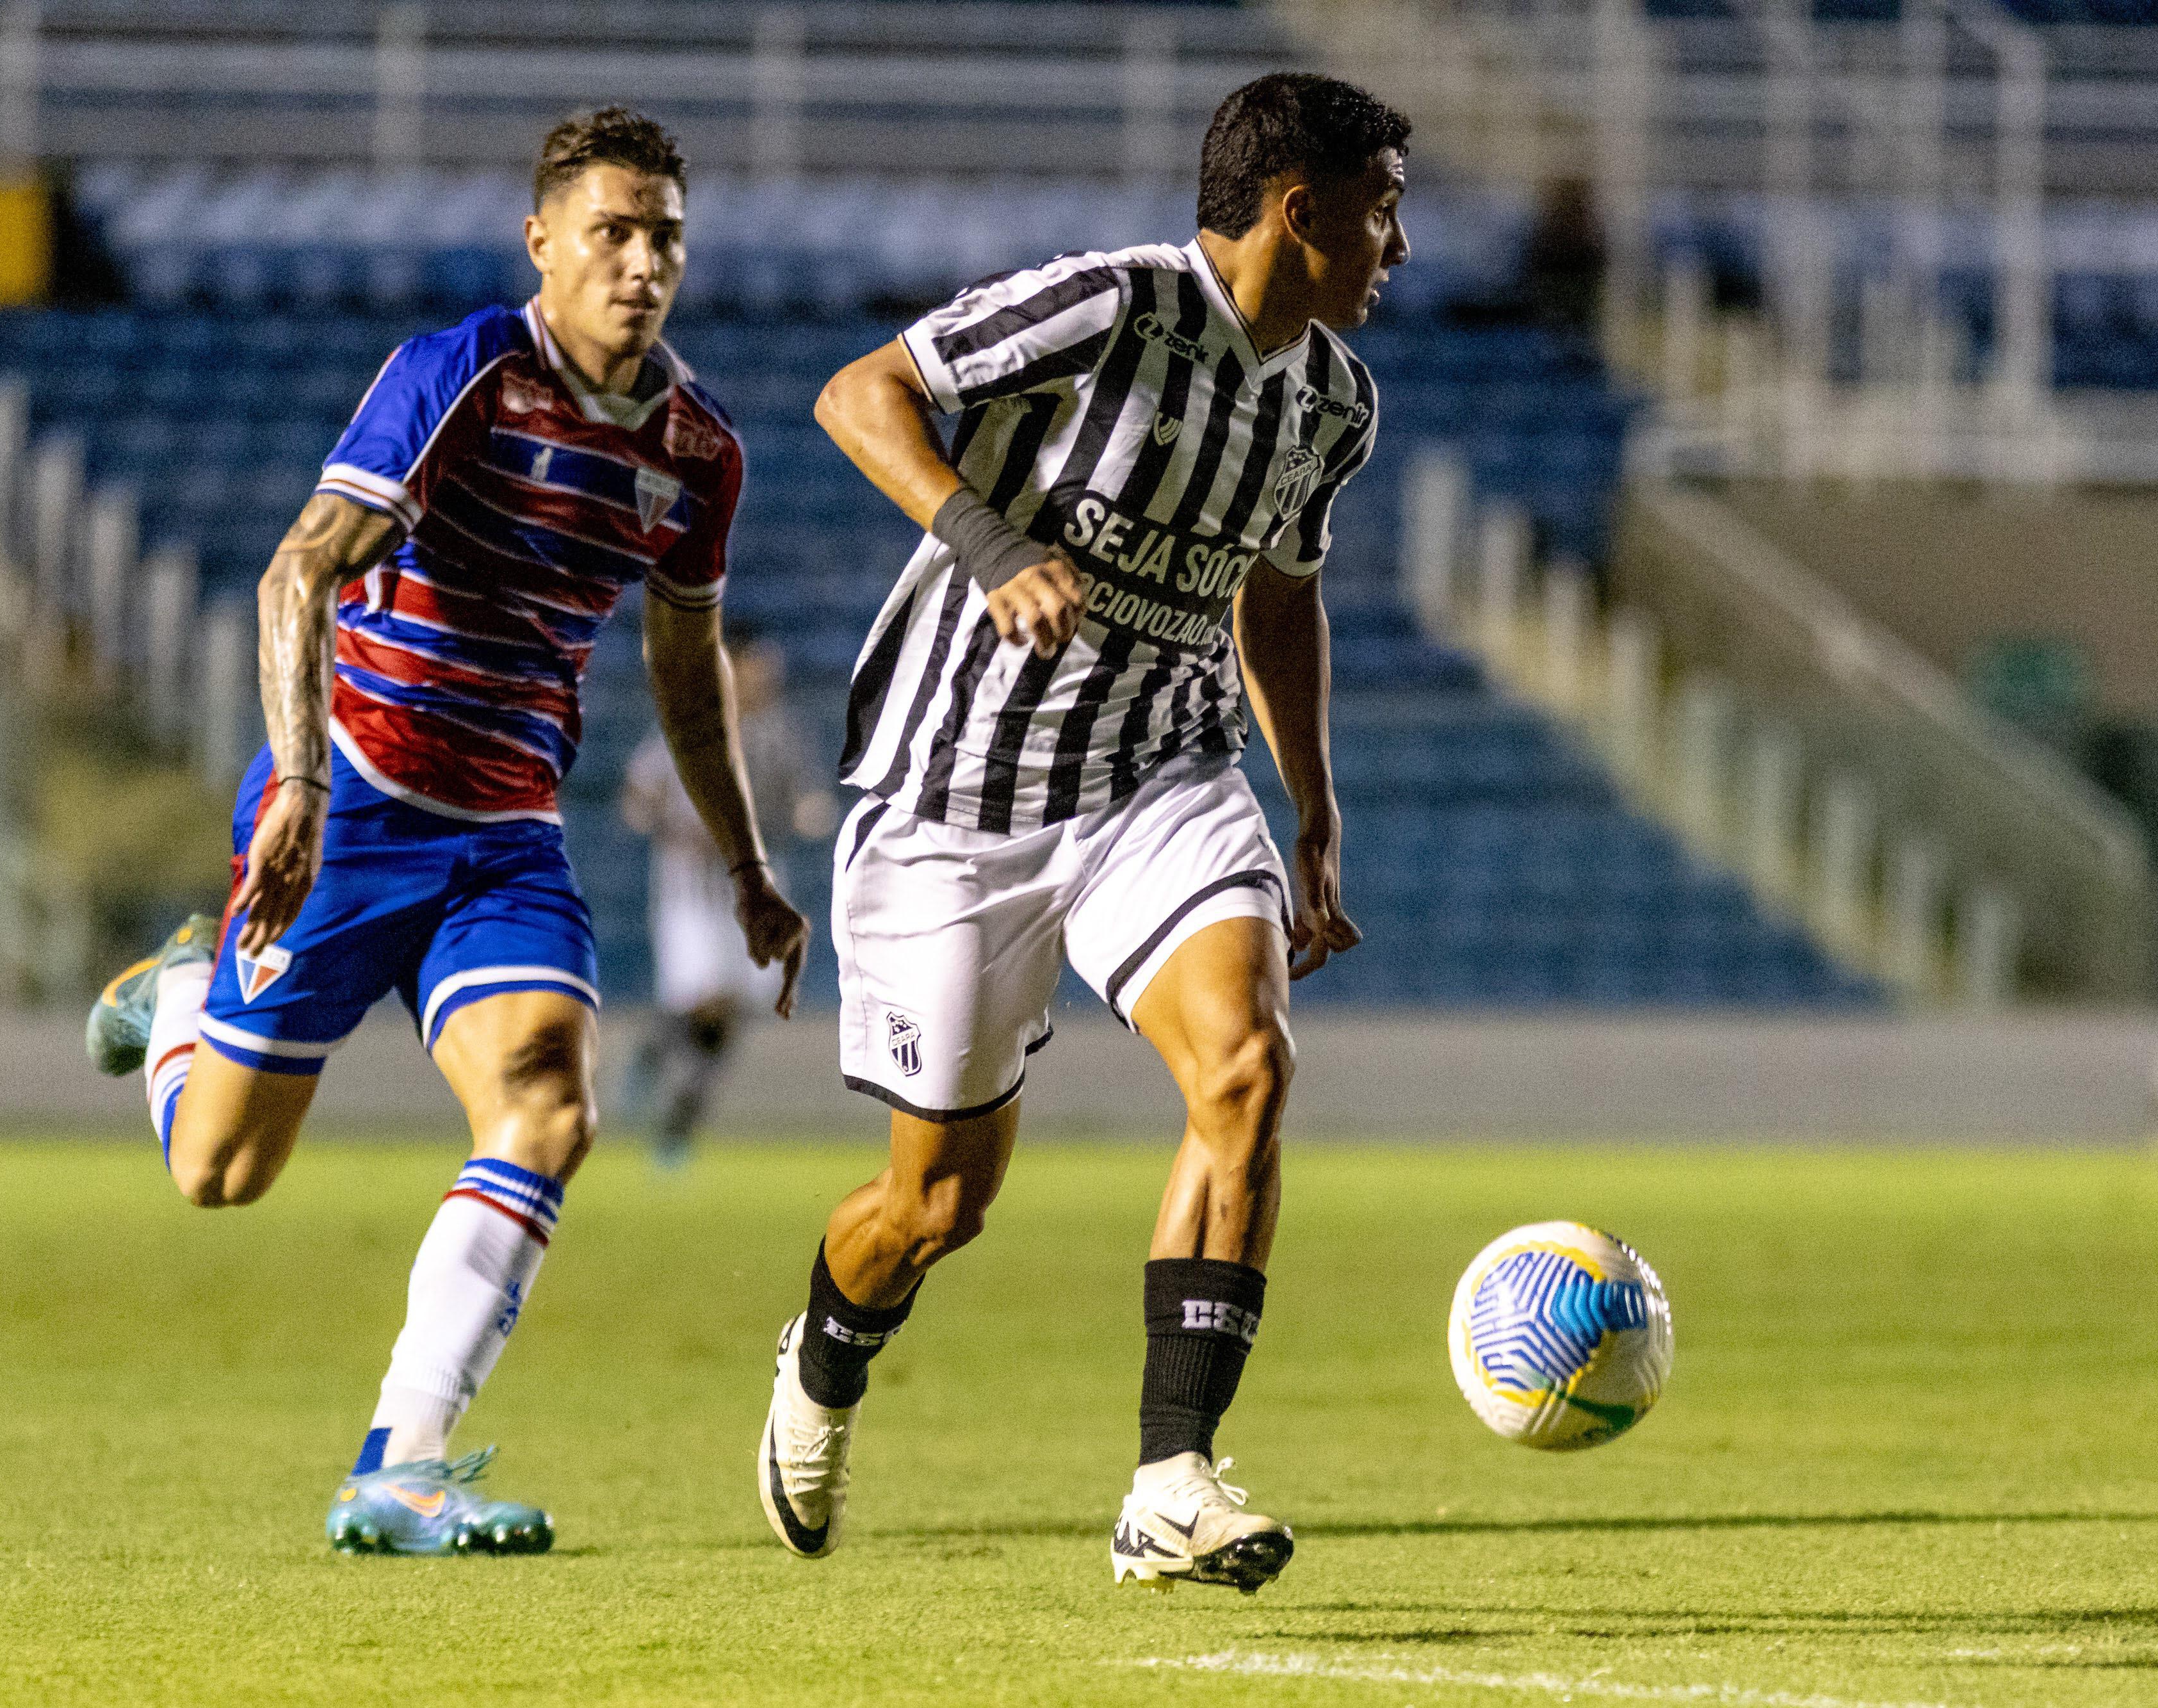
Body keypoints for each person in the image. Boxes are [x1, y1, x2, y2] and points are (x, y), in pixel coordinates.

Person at [81, 106, 809, 1556]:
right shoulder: (463, 373)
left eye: (663, 233)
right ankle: (175, 1002)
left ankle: (398, 1463)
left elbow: (683, 671)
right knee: (221, 1173)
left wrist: (746, 864)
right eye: (610, 231)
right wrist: (294, 784)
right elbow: (298, 575)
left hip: (506, 832)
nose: (640, 261)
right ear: (543, 242)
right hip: (351, 799)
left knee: (550, 1102)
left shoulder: (697, 452)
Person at [753, 72, 1408, 1595]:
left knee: (1246, 1067)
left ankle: (1171, 1482)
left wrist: (1311, 807)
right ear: (1297, 211)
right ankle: (829, 1352)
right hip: (952, 808)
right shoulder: (1107, 305)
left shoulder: (1332, 403)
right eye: (1379, 212)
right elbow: (861, 393)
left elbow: (1276, 594)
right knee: (935, 1206)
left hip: (1160, 785)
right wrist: (989, 547)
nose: (1397, 245)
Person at [619, 631, 837, 1165]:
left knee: (733, 1009)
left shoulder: (783, 733)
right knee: (709, 1000)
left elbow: (809, 799)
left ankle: (663, 1073)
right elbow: (638, 795)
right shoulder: (689, 724)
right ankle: (674, 1119)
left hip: (759, 888)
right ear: (731, 668)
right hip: (691, 890)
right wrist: (665, 824)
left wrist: (812, 814)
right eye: (756, 666)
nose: (766, 677)